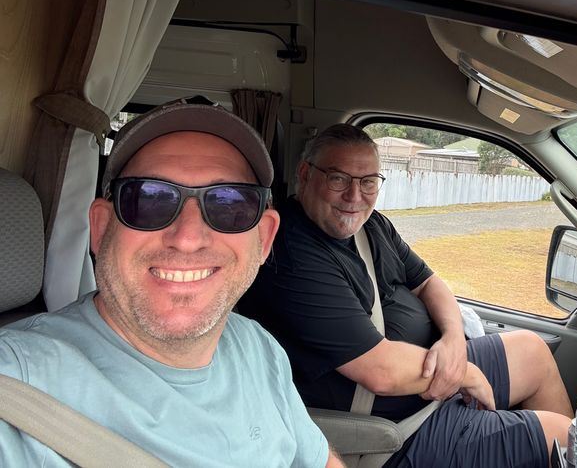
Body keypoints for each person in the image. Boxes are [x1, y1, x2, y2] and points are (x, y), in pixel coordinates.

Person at [0, 97, 343, 468]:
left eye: (229, 204)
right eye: (149, 199)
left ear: (265, 239)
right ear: (100, 229)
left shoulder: (258, 347)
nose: (188, 237)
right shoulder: (18, 386)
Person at [239, 124, 572, 467]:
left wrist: (455, 341)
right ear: (306, 174)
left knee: (533, 351)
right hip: (394, 430)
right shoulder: (291, 255)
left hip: (427, 378)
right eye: (338, 179)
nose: (355, 196)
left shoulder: (372, 227)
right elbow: (379, 370)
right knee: (562, 436)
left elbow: (430, 283)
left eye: (368, 181)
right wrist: (466, 374)